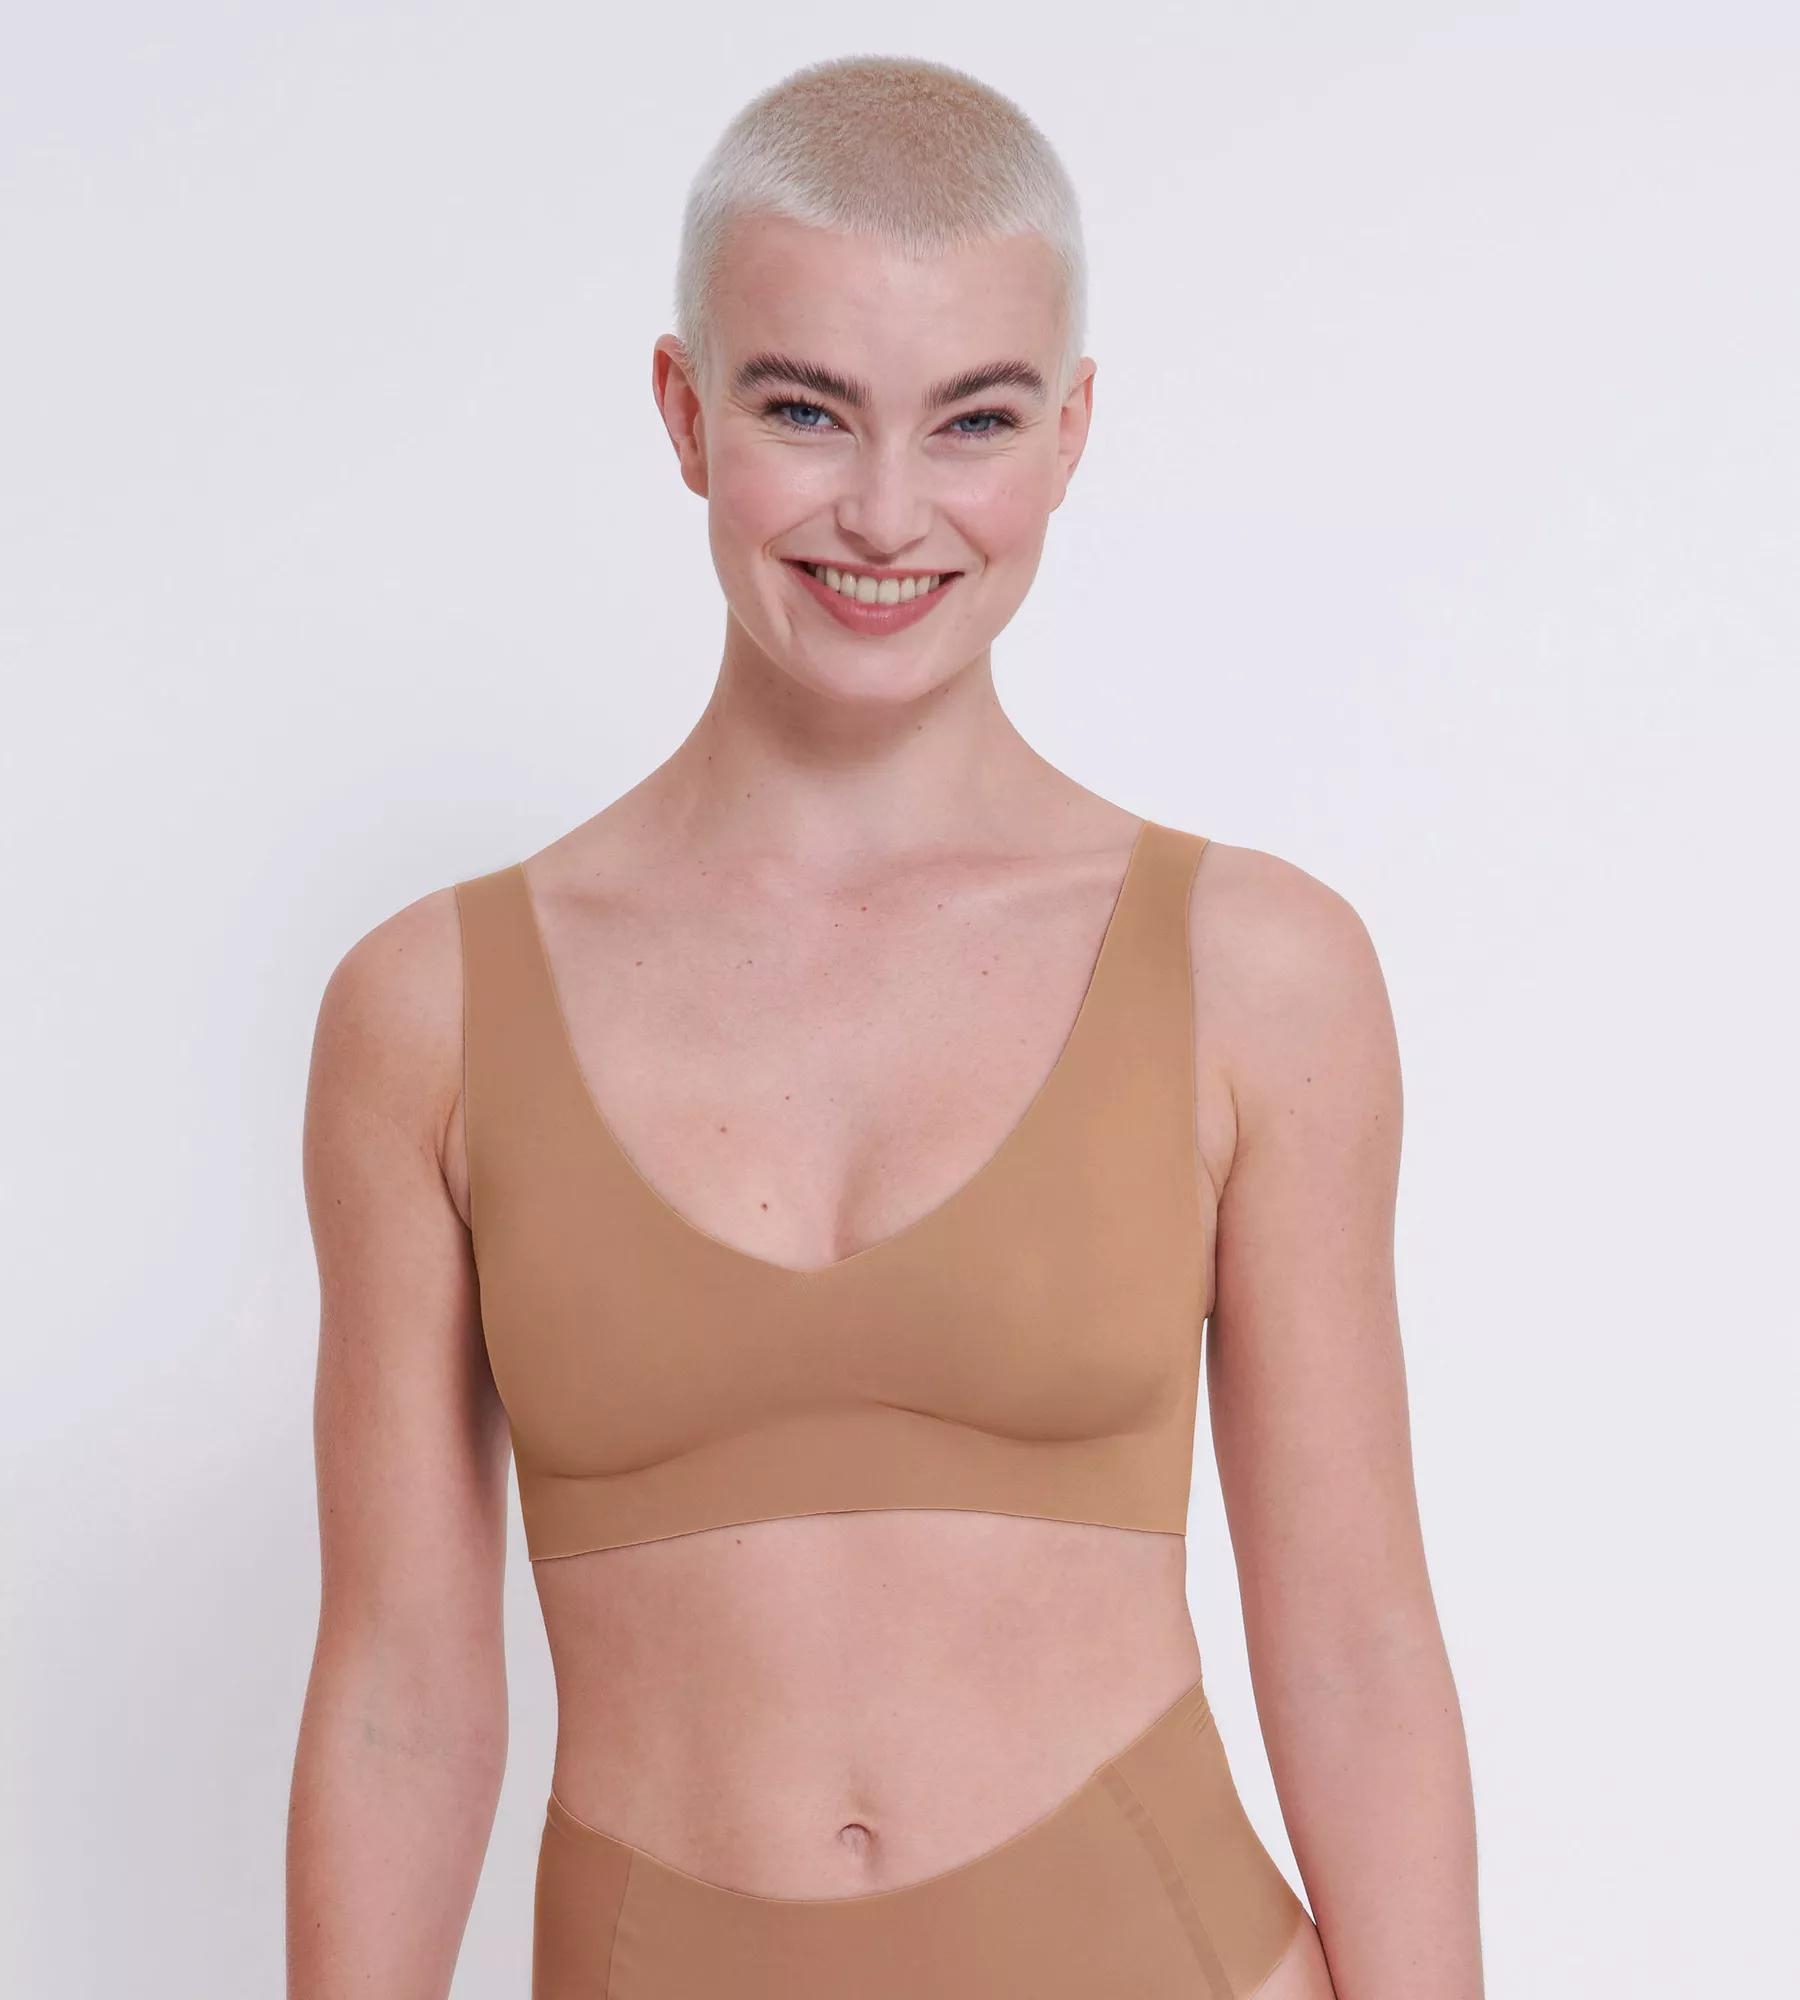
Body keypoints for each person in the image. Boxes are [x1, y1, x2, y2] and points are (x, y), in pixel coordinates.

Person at [288, 53, 1482, 2000]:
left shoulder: (1259, 974)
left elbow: (1354, 1645)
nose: (887, 510)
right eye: (805, 409)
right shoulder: (425, 1012)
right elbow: (397, 1701)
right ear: (685, 411)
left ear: (1071, 432)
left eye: (975, 419)